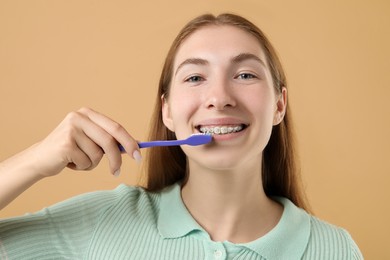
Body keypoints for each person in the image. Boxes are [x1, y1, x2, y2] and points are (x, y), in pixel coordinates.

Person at [0, 13, 363, 259]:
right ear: (167, 111)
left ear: (279, 106)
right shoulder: (103, 223)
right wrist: (33, 160)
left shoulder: (334, 248)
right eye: (194, 77)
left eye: (246, 75)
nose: (219, 97)